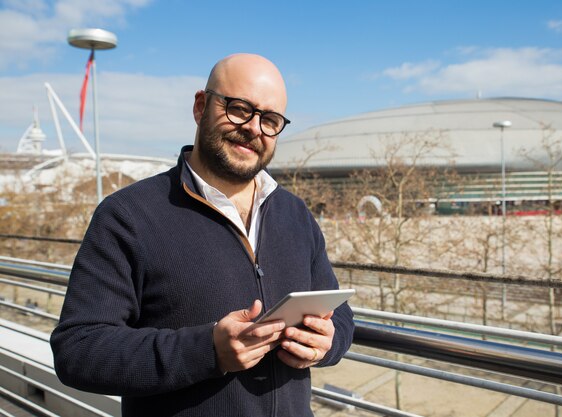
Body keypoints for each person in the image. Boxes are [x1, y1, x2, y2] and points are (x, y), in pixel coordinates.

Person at [51, 53, 354, 417]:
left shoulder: (296, 215)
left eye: (270, 119)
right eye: (240, 108)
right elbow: (78, 351)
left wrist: (327, 342)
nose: (254, 128)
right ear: (200, 106)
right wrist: (207, 350)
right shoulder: (128, 215)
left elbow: (341, 317)